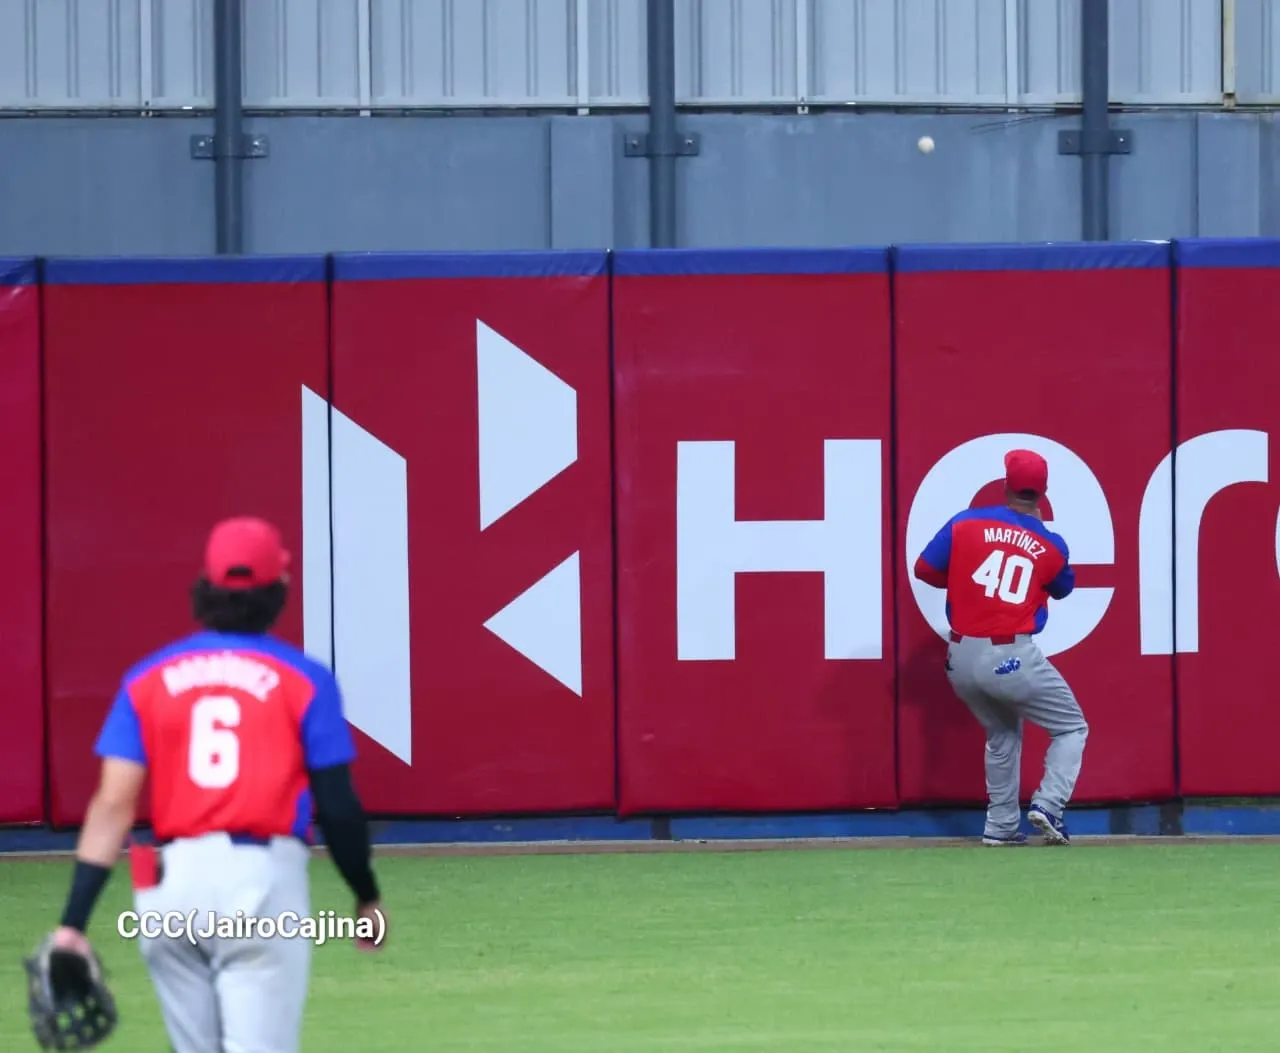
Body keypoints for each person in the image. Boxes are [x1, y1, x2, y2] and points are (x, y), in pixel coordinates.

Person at [48, 516, 385, 1052]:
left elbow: (112, 806)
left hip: (168, 889)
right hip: (257, 885)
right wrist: (365, 897)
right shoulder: (304, 679)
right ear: (280, 589)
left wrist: (73, 925)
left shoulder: (147, 678)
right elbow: (338, 806)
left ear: (205, 586)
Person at [913, 450, 1088, 846]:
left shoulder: (965, 522)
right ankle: (1049, 805)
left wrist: (965, 581)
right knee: (1071, 727)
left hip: (960, 658)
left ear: (1006, 485)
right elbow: (1063, 588)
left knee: (1002, 736)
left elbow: (924, 568)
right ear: (1043, 492)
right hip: (1010, 655)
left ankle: (1001, 826)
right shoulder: (1051, 544)